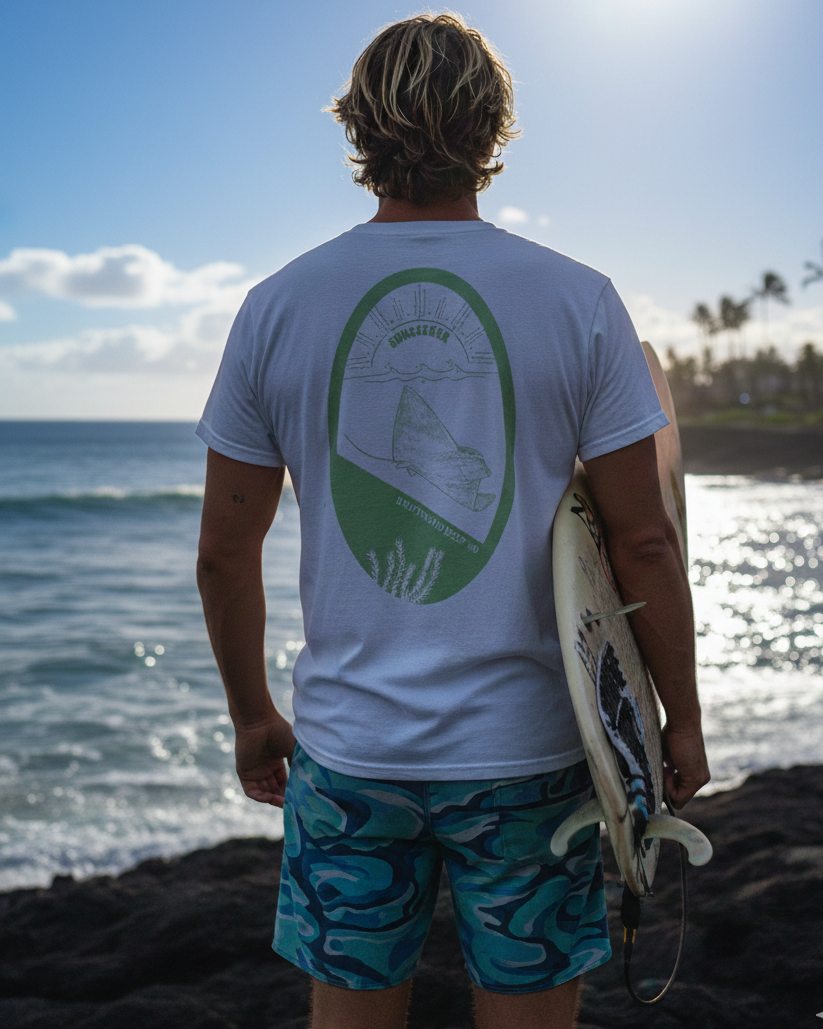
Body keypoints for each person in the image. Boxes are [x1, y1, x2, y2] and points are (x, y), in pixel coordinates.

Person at [196, 13, 710, 1029]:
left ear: (358, 127)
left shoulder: (275, 306)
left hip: (351, 756)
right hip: (529, 757)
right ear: (490, 127)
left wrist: (255, 715)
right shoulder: (578, 301)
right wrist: (673, 719)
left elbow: (224, 552)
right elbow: (642, 540)